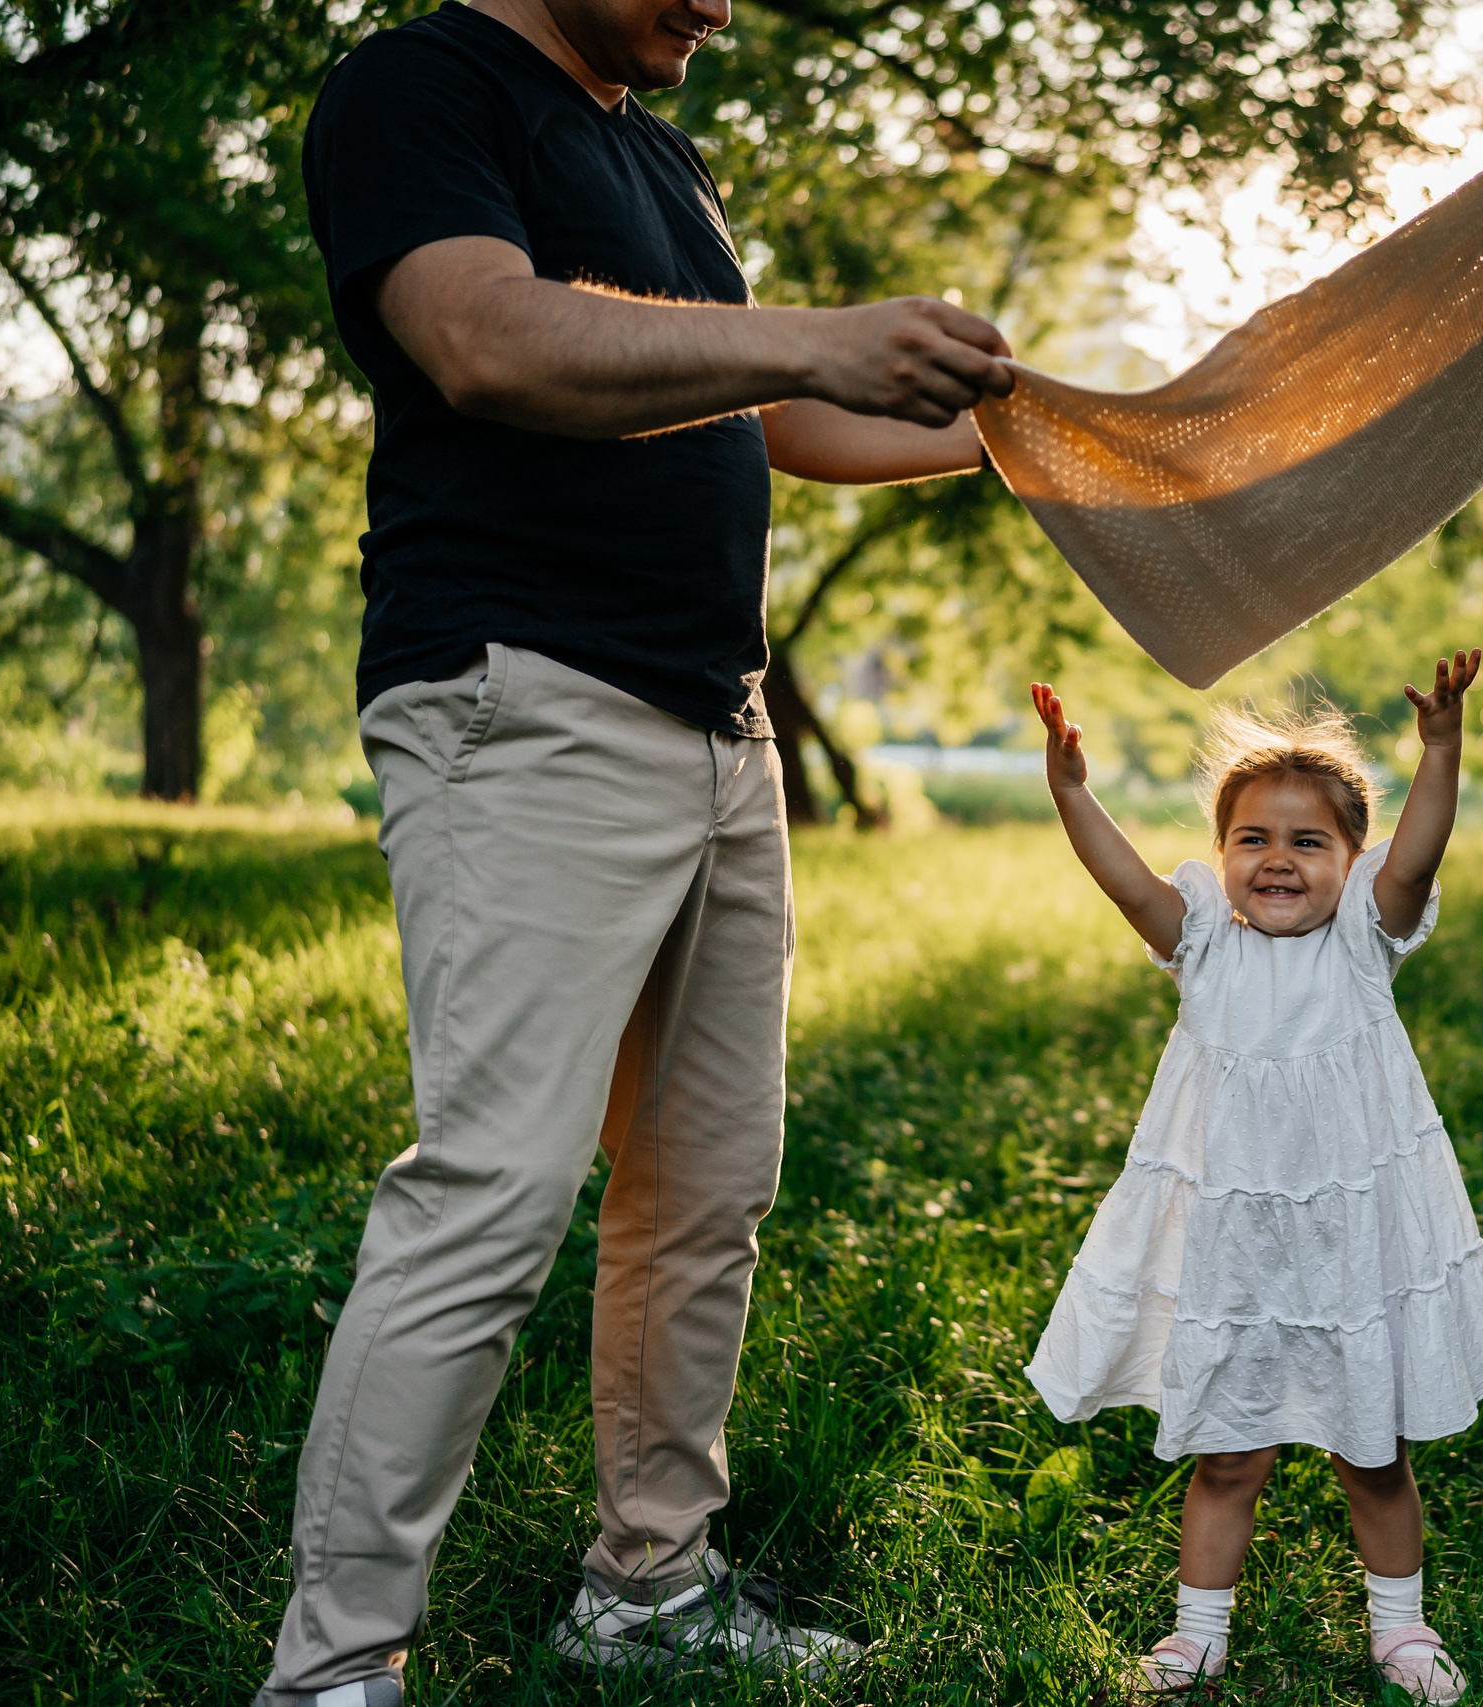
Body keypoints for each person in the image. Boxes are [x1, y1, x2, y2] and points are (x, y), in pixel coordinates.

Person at [260, 0, 1018, 1701]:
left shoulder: (658, 153)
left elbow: (763, 414)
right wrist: (816, 337)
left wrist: (1038, 434)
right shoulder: (421, 84)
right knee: (494, 1190)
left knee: (702, 1195)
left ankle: (646, 1586)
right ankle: (329, 1669)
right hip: (527, 697)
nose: (724, 6)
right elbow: (487, 341)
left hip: (715, 723)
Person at [1018, 658, 1483, 1703]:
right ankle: (1197, 1635)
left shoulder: (1360, 944)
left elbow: (1417, 861)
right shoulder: (1202, 942)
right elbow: (1126, 882)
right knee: (1227, 1457)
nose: (1276, 859)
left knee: (1372, 1454)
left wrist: (1441, 751)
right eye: (1252, 838)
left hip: (1348, 1250)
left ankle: (1401, 1631)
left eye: (1307, 841)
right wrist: (1072, 792)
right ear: (1220, 853)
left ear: (1348, 860)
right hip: (1235, 1253)